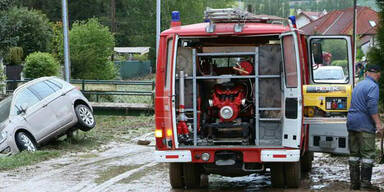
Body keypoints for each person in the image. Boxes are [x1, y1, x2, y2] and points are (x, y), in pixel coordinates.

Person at [347, 64, 383, 191]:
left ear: (366, 73)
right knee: (368, 155)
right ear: (377, 74)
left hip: (352, 123)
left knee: (354, 154)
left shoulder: (359, 85)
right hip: (364, 124)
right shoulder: (373, 86)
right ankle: (365, 185)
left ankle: (354, 184)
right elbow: (372, 106)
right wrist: (379, 124)